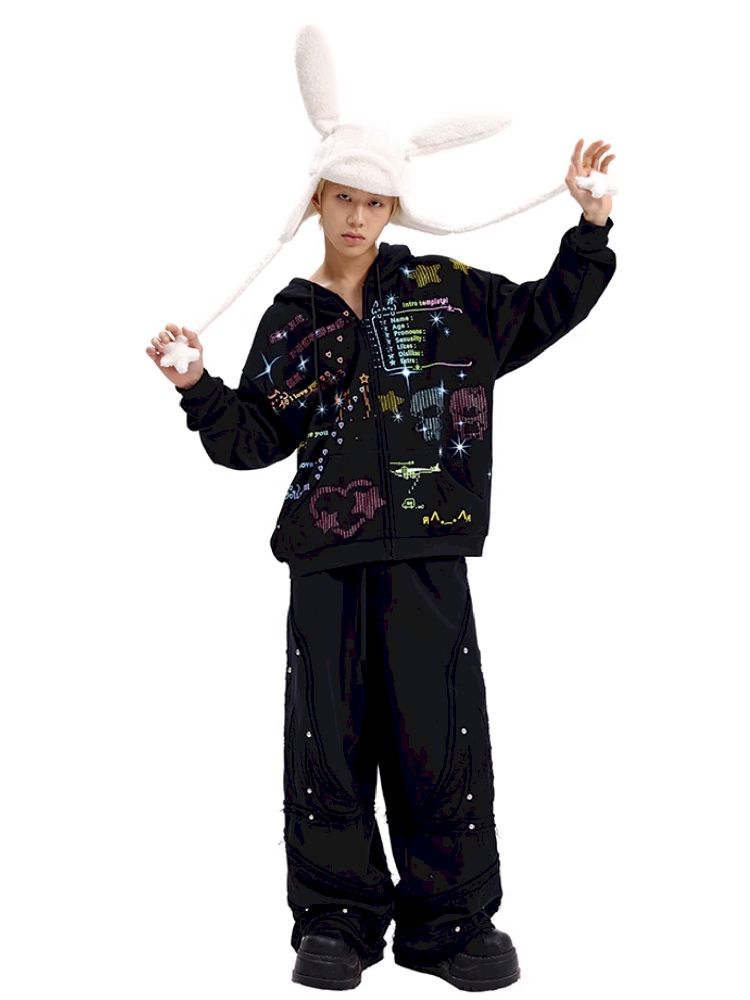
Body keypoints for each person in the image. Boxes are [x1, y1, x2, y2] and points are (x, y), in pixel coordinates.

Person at [145, 139, 617, 991]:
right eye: (342, 198)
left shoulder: (445, 291)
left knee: (440, 733)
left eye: (373, 202)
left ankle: (452, 923)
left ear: (393, 208)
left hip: (430, 553)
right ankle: (337, 917)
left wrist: (589, 226)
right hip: (325, 559)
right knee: (328, 737)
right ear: (315, 202)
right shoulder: (293, 316)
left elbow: (543, 311)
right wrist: (197, 386)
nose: (357, 217)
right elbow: (252, 438)